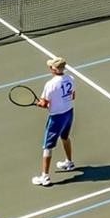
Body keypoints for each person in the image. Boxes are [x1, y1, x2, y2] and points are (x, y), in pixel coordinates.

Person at [32, 56, 76, 187]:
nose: (49, 68)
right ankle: (69, 163)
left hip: (56, 118)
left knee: (48, 146)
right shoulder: (71, 78)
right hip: (69, 113)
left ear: (55, 69)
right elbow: (73, 96)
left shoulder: (50, 84)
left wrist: (39, 104)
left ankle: (45, 177)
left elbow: (44, 104)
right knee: (65, 137)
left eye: (51, 66)